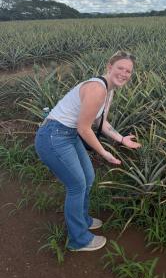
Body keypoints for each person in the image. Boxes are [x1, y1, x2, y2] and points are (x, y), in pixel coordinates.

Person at [35, 51, 141, 252]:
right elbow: (84, 128)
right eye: (120, 68)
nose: (124, 73)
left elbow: (99, 121)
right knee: (77, 185)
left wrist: (121, 139)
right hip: (53, 136)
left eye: (129, 71)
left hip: (68, 134)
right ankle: (79, 240)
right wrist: (105, 153)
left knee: (88, 177)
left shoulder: (108, 91)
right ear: (109, 67)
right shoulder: (97, 89)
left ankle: (82, 219)